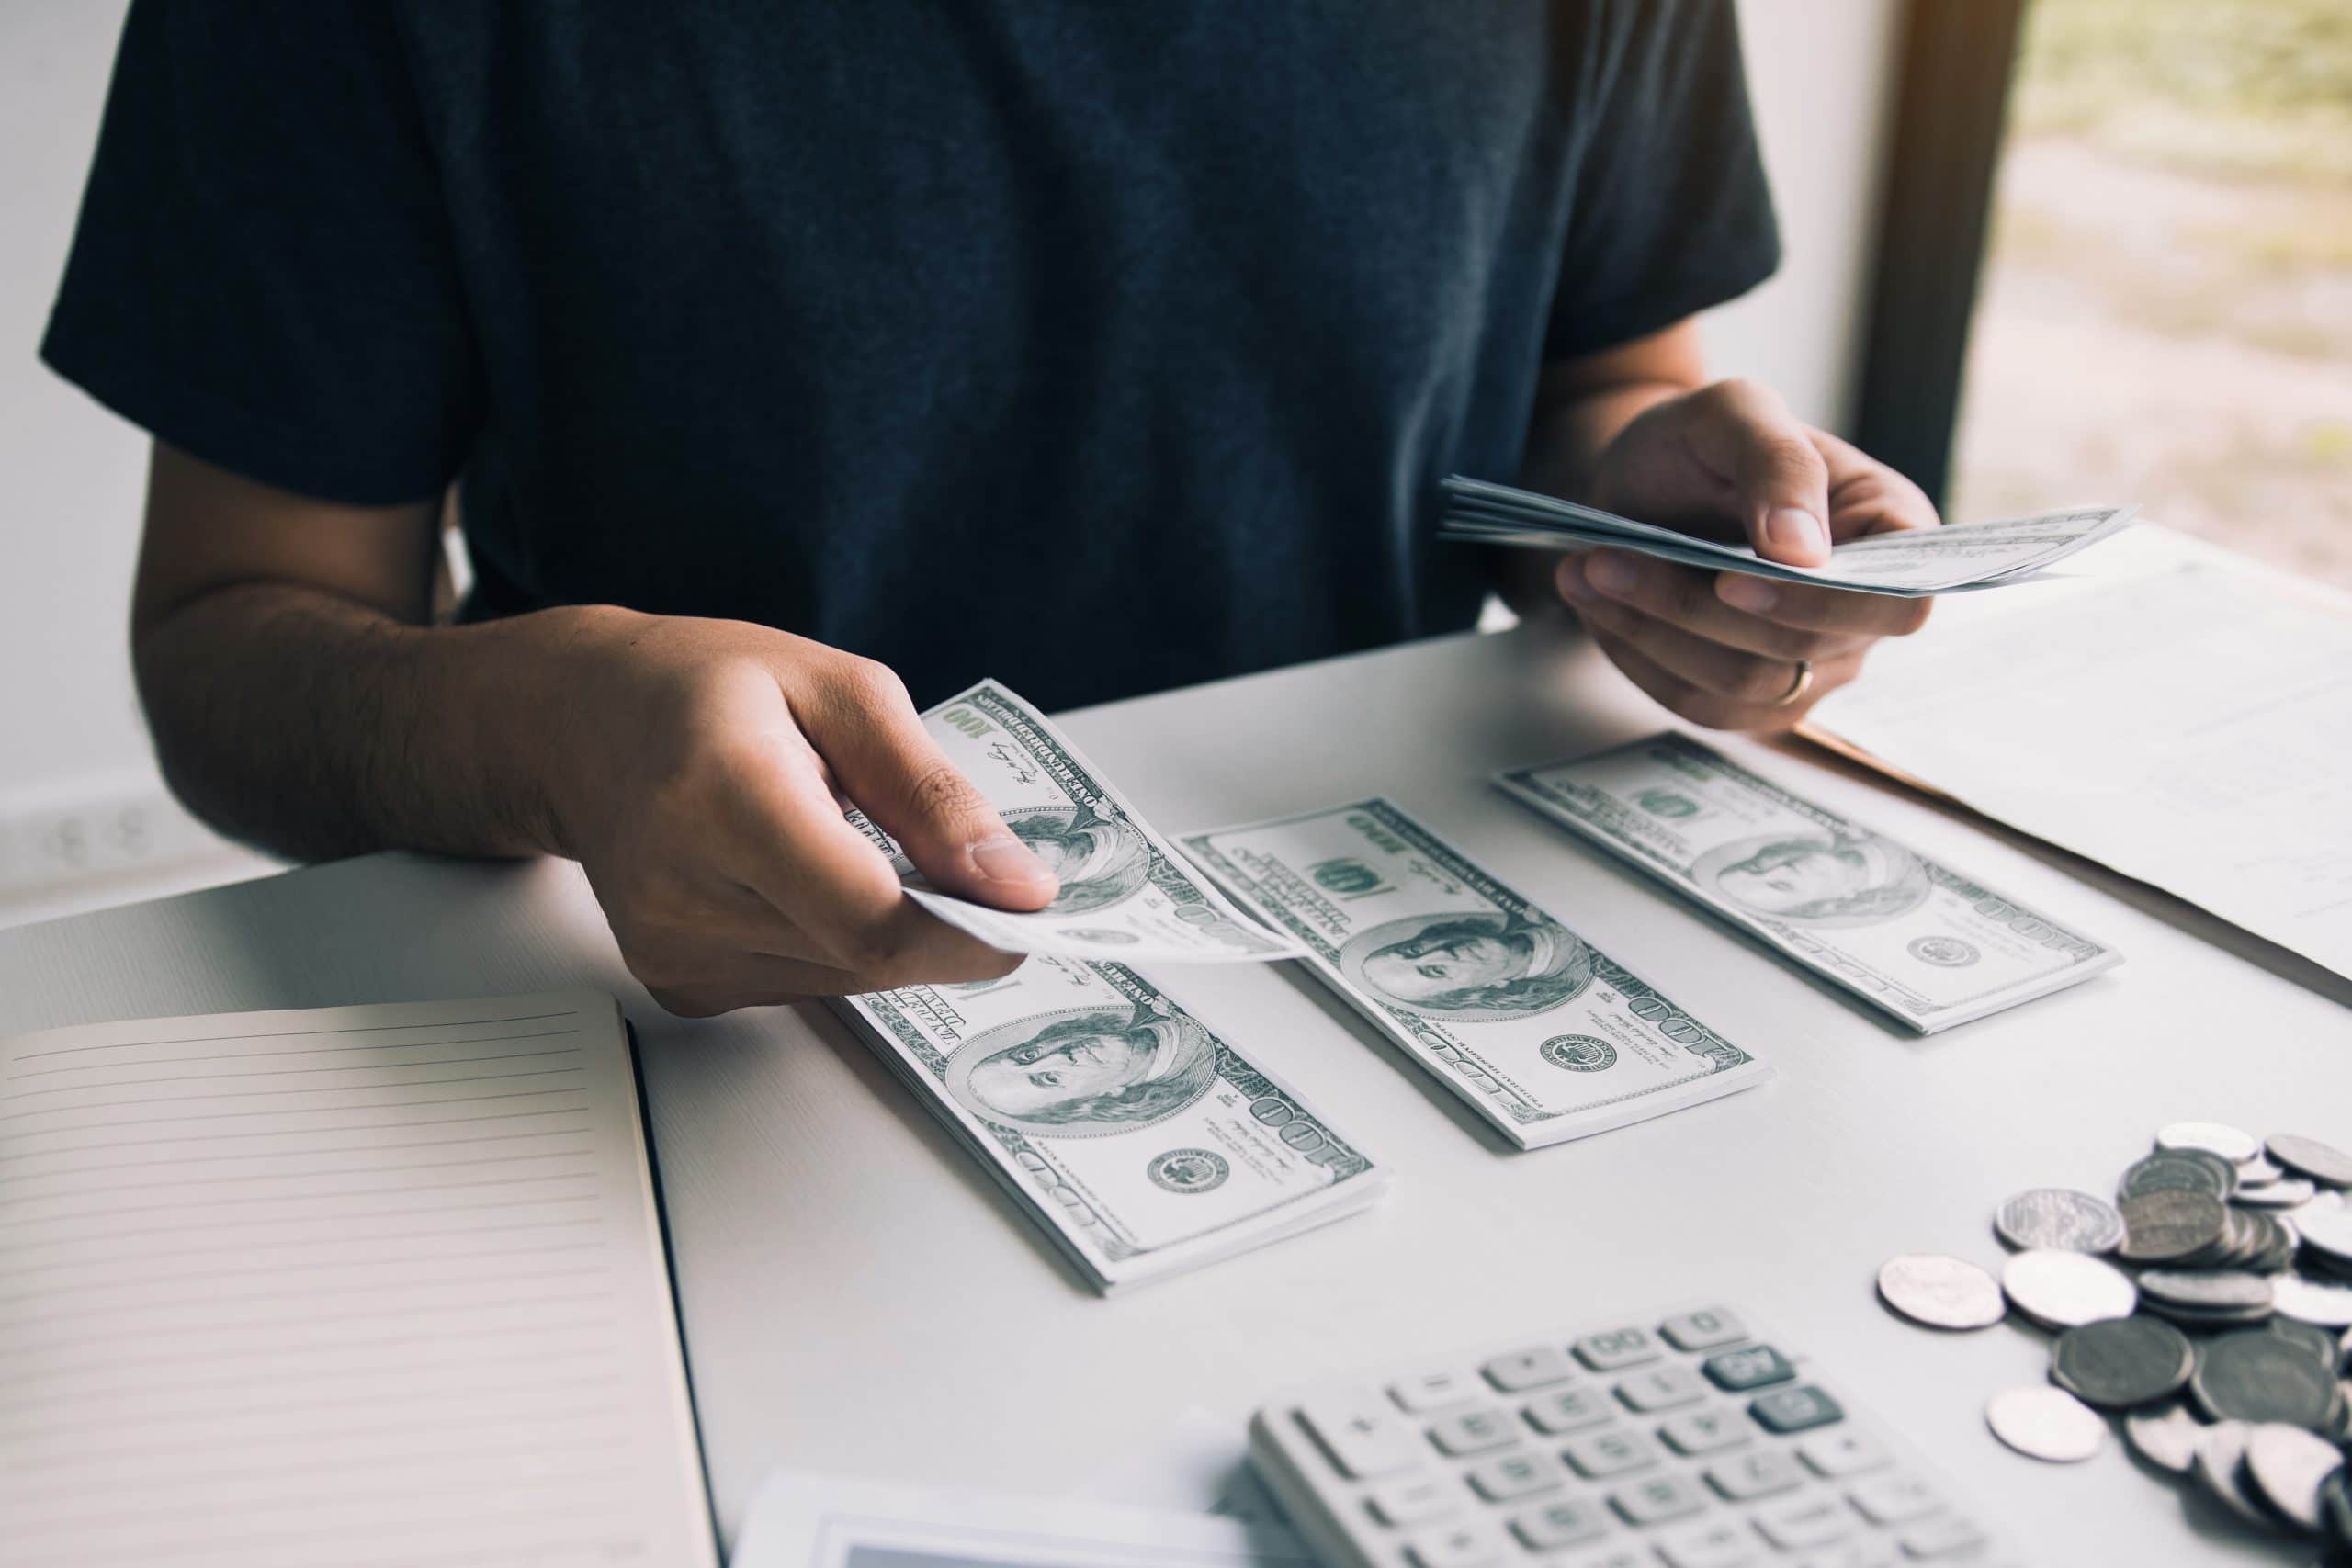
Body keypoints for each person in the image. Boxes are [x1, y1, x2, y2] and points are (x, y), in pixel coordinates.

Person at [41, 2, 1940, 1017]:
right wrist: (550, 731)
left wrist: (1652, 532)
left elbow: (1582, 377)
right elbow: (237, 632)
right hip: (675, 1024)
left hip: (1408, 973)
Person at [955, 1012, 1216, 1132]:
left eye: (1028, 1055)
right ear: (1100, 1098)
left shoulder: (1144, 1006)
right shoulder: (1203, 1067)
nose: (1058, 1056)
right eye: (1050, 1078)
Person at [1354, 913, 1592, 1018]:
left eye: (1413, 950)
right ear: (1482, 990)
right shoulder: (1577, 968)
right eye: (1437, 970)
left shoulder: (1523, 910)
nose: (1441, 952)